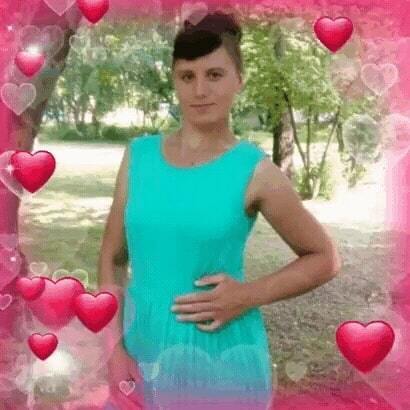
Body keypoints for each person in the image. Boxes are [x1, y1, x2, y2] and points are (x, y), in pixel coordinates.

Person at [98, 11, 342, 410]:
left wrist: (247, 295)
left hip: (220, 361)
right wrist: (113, 349)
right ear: (174, 80)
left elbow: (325, 257)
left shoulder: (255, 171)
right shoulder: (138, 157)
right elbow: (112, 257)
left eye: (214, 75)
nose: (200, 90)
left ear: (238, 79)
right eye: (187, 76)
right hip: (140, 353)